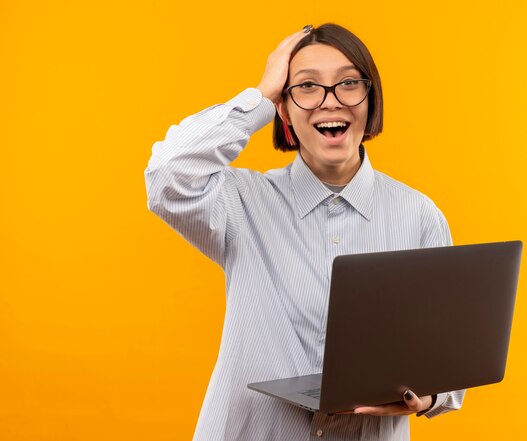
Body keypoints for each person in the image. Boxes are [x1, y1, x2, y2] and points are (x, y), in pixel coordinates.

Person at [145, 23, 465, 441]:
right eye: (307, 87)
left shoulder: (420, 216)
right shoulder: (242, 201)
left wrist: (428, 396)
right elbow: (168, 172)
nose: (330, 101)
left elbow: (452, 359)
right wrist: (260, 95)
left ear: (369, 99)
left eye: (348, 83)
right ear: (285, 110)